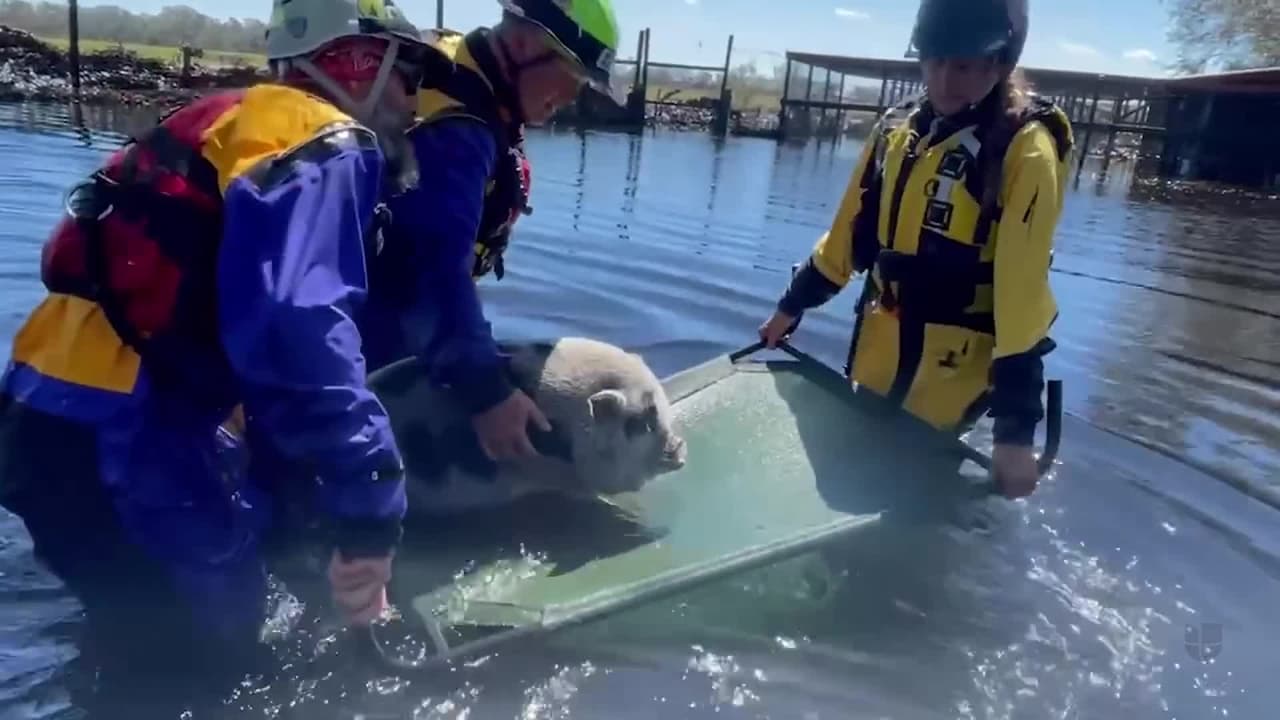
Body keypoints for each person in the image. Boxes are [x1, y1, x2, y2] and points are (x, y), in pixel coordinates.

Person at [0, 0, 429, 698]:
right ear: (356, 63)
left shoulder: (237, 120)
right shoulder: (327, 139)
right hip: (118, 437)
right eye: (407, 73)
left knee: (147, 631)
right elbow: (299, 335)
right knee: (208, 667)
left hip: (42, 417)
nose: (414, 100)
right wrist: (373, 504)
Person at [759, 0, 1074, 500]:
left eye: (966, 66)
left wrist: (1014, 436)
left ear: (1000, 63)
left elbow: (1022, 297)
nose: (946, 79)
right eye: (935, 61)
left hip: (949, 380)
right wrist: (789, 307)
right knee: (848, 485)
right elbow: (846, 238)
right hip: (878, 354)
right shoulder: (896, 132)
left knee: (914, 500)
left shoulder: (1025, 150)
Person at [365, 0, 622, 464]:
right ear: (524, 43)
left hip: (397, 330)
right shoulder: (458, 134)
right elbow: (434, 271)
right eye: (574, 75)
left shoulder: (462, 75)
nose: (573, 96)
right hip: (368, 350)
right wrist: (487, 393)